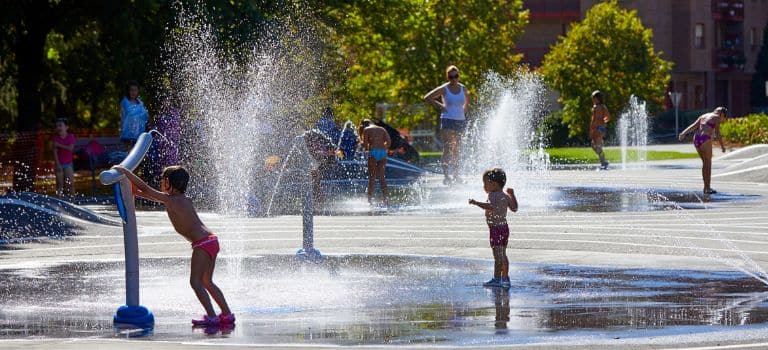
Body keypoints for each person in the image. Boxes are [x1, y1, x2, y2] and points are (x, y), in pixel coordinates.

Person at [111, 164, 235, 326]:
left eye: (163, 180)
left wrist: (125, 172)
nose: (161, 183)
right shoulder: (182, 199)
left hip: (202, 244)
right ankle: (226, 314)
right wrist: (136, 192)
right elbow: (149, 194)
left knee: (195, 282)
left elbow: (146, 188)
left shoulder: (171, 200)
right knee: (207, 281)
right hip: (211, 240)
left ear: (168, 182)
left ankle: (212, 316)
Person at [469, 168, 518, 288]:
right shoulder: (505, 196)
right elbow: (514, 208)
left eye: (485, 183)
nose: (484, 186)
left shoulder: (493, 195)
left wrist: (477, 203)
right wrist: (512, 195)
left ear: (493, 184)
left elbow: (491, 207)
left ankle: (497, 279)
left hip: (495, 229)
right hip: (504, 228)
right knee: (503, 254)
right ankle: (505, 278)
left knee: (497, 255)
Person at [424, 65, 470, 184]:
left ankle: (456, 175)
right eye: (451, 77)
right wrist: (441, 106)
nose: (454, 79)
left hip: (460, 120)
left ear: (458, 76)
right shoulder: (444, 89)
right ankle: (446, 176)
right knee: (448, 148)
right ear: (448, 77)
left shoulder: (463, 88)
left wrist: (464, 111)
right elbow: (427, 97)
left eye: (456, 76)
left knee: (457, 149)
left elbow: (467, 101)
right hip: (447, 120)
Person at [678, 106, 728, 194]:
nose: (723, 119)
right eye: (724, 117)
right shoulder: (716, 117)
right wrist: (722, 146)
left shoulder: (704, 116)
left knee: (705, 163)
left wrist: (683, 133)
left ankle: (706, 187)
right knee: (708, 164)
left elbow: (694, 126)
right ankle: (707, 188)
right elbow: (717, 133)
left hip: (696, 139)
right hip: (705, 138)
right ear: (722, 114)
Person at [360, 119, 391, 205]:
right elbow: (389, 142)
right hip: (382, 153)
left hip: (373, 152)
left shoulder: (366, 130)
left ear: (364, 125)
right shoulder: (382, 129)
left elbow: (366, 146)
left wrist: (363, 145)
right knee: (382, 177)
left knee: (372, 177)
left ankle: (369, 200)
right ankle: (386, 199)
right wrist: (383, 148)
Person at [120, 80, 149, 149]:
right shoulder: (125, 101)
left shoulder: (140, 102)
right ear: (128, 91)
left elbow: (146, 116)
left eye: (135, 90)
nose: (133, 92)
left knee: (139, 155)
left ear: (138, 91)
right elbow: (131, 112)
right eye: (131, 90)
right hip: (128, 135)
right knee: (130, 155)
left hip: (139, 135)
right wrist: (142, 112)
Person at [52, 118, 76, 197]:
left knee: (70, 184)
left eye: (60, 125)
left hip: (68, 163)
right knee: (60, 184)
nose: (58, 128)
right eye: (57, 126)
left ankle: (73, 201)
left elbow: (70, 148)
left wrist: (59, 145)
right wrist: (57, 164)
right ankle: (59, 202)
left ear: (66, 127)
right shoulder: (55, 138)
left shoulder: (70, 137)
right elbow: (54, 152)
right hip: (59, 163)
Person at [589, 90, 611, 170]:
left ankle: (604, 162)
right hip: (601, 128)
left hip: (596, 128)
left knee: (595, 145)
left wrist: (591, 129)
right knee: (596, 145)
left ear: (597, 98)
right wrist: (603, 122)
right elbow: (608, 117)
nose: (593, 100)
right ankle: (603, 161)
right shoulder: (603, 107)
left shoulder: (595, 107)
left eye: (593, 98)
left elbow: (593, 120)